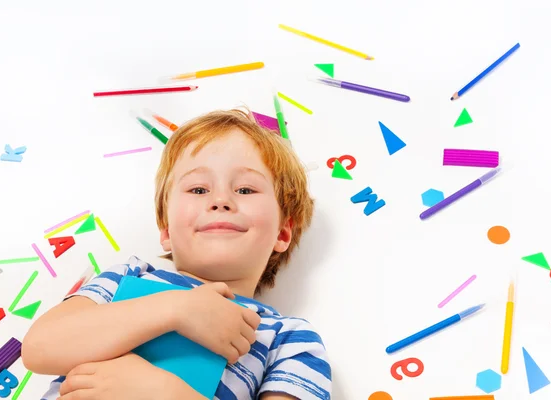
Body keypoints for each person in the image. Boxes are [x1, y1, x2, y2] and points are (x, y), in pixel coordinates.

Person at [22, 108, 332, 400]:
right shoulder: (127, 275)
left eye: (246, 190)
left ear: (282, 233)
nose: (221, 200)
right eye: (198, 190)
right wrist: (177, 310)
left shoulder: (288, 339)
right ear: (167, 231)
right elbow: (38, 349)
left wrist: (165, 393)